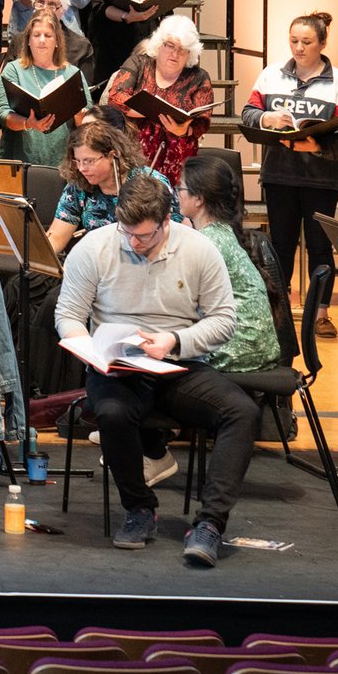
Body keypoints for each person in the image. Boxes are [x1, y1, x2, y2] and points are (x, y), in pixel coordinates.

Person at [54, 172, 253, 567]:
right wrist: (90, 350)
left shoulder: (198, 249)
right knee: (111, 413)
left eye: (143, 236)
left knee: (242, 412)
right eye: (126, 233)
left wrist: (175, 342)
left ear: (167, 223)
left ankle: (210, 523)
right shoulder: (93, 247)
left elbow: (224, 320)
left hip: (177, 363)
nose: (133, 242)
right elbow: (68, 315)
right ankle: (139, 508)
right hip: (117, 366)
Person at [242, 11, 338, 341]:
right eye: (293, 41)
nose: (298, 48)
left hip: (322, 179)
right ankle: (278, 309)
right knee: (280, 245)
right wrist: (269, 118)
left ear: (323, 43)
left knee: (321, 247)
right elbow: (248, 114)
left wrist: (317, 146)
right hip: (279, 175)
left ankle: (321, 313)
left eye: (307, 42)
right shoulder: (271, 76)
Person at [176, 151, 284, 375]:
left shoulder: (205, 241)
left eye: (181, 189)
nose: (178, 195)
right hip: (258, 348)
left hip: (235, 352)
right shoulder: (223, 232)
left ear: (199, 198)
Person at [102, 14, 213, 187]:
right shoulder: (139, 64)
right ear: (159, 43)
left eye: (182, 49)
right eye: (170, 46)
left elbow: (202, 121)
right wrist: (148, 109)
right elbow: (116, 96)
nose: (175, 53)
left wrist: (183, 129)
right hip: (134, 157)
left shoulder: (198, 77)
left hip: (177, 162)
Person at [47, 112, 177, 257]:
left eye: (89, 161)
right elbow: (57, 237)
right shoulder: (78, 184)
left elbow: (173, 235)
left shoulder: (151, 181)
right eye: (78, 161)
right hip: (99, 265)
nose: (82, 168)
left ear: (112, 155)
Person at [0, 11, 84, 167]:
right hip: (17, 161)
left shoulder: (73, 73)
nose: (42, 40)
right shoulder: (13, 70)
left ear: (57, 41)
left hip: (60, 162)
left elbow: (86, 123)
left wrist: (76, 109)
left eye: (48, 35)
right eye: (36, 35)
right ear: (28, 40)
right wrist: (28, 123)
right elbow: (3, 113)